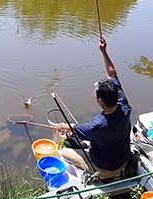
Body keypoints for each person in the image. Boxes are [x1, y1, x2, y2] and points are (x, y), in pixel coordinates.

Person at [55, 37, 132, 179]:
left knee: (64, 149)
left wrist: (60, 125)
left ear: (100, 101)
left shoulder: (97, 124)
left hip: (106, 168)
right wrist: (104, 51)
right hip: (124, 158)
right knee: (87, 140)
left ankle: (95, 173)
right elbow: (112, 74)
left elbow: (74, 128)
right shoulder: (123, 105)